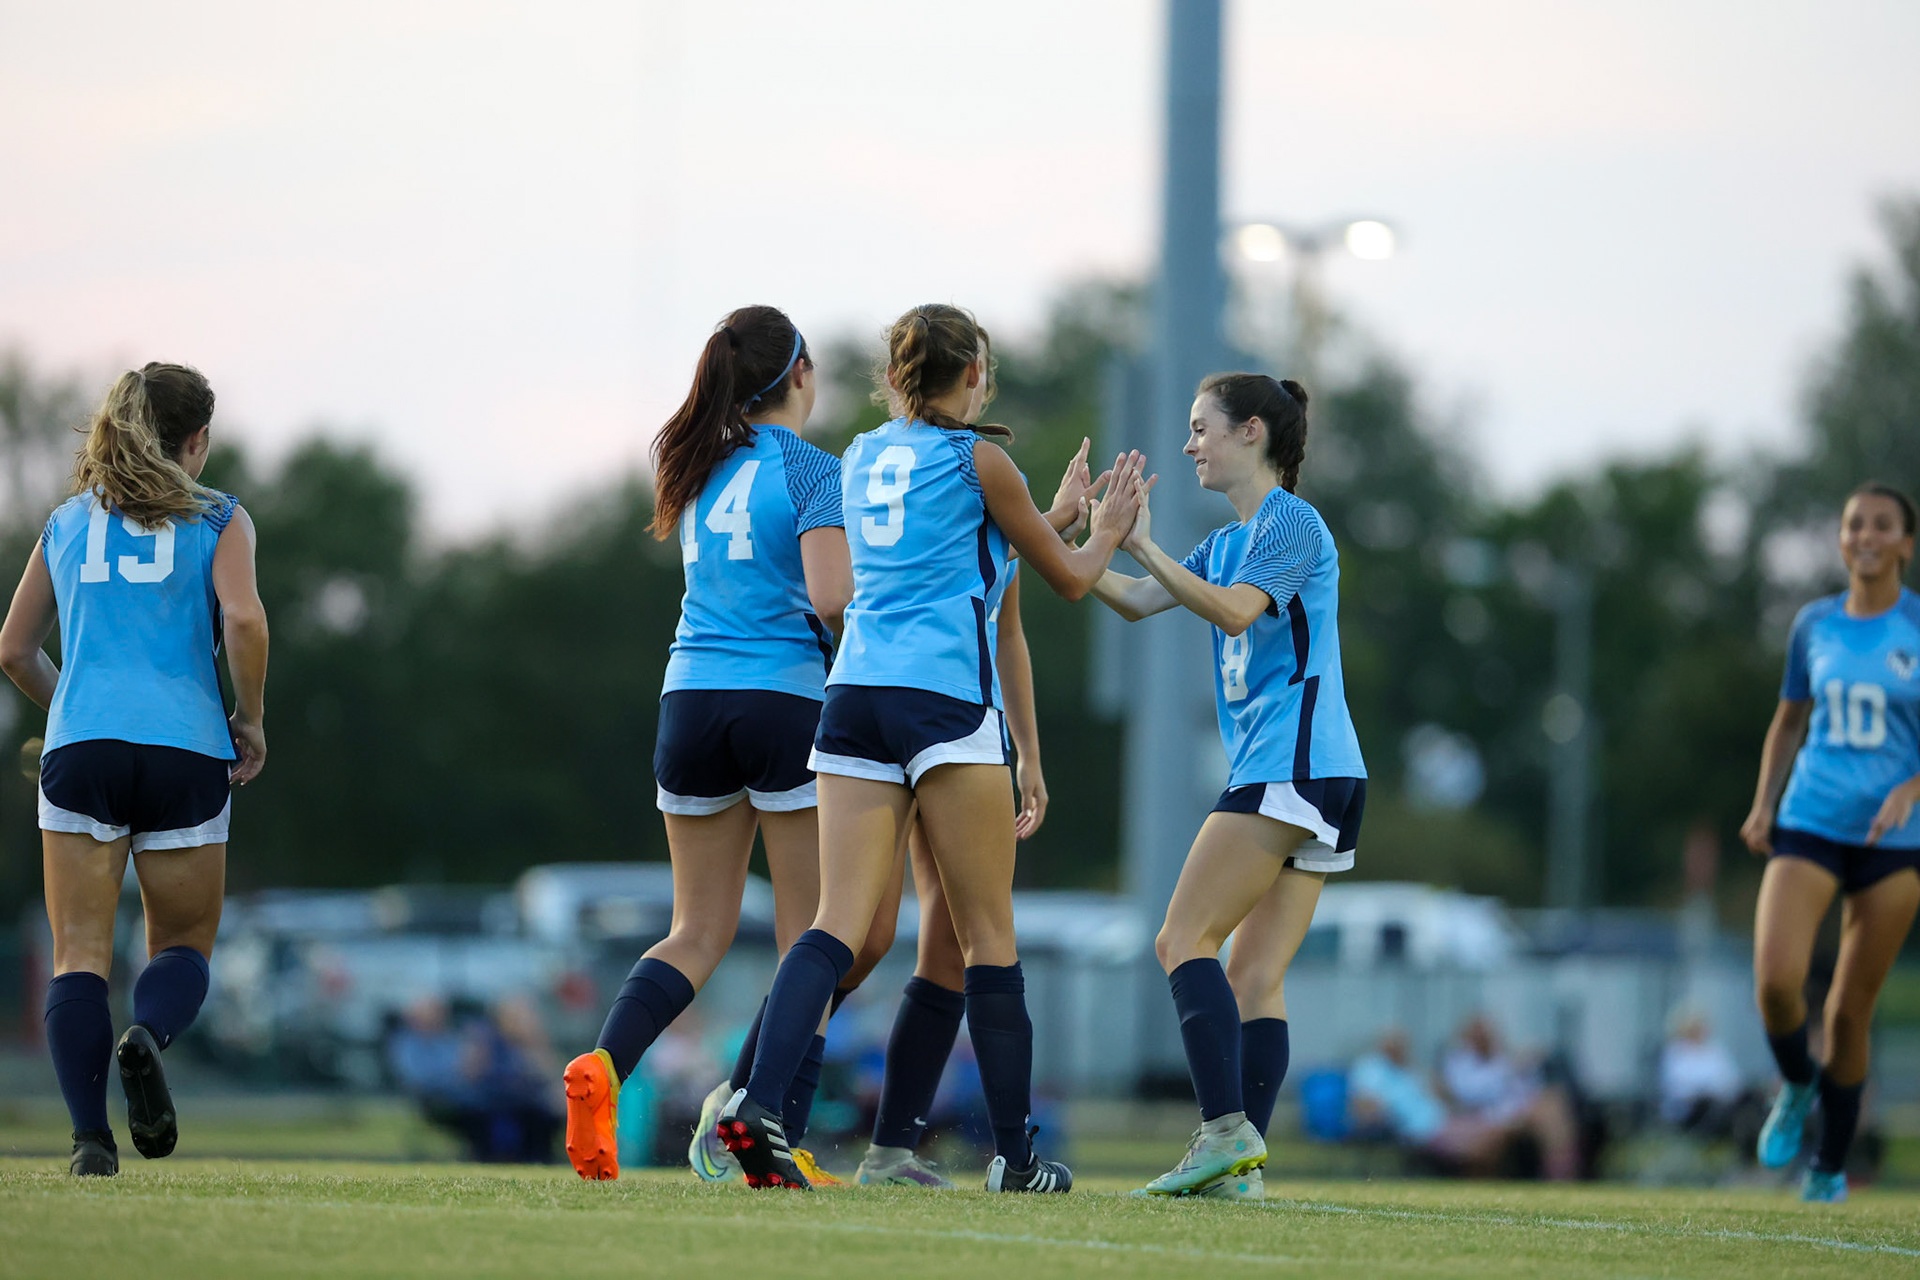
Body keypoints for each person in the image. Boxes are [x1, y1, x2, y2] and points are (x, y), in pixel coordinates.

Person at [716, 303, 1139, 1192]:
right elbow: (1069, 580)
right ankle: (1016, 1158)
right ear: (975, 374)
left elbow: (958, 552)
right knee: (988, 936)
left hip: (855, 698)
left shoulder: (862, 453)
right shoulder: (981, 459)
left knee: (836, 925)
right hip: (942, 704)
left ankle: (756, 1106)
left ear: (895, 376)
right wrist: (1105, 528)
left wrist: (1049, 515)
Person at [560, 306, 852, 1182]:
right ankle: (774, 1136)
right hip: (784, 699)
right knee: (813, 936)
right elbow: (832, 598)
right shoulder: (815, 469)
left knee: (694, 930)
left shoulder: (696, 462)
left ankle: (605, 1063)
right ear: (800, 373)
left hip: (689, 700)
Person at [1090, 373, 1364, 1202]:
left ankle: (1221, 1133)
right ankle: (1239, 1168)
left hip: (1291, 764)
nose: (1188, 446)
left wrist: (1141, 545)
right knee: (1253, 977)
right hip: (1311, 770)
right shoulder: (1225, 540)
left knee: (1180, 940)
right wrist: (1072, 536)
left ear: (1252, 432)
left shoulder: (1292, 522)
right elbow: (1136, 601)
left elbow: (1237, 612)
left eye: (1201, 428)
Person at [0, 363, 269, 1177]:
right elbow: (244, 618)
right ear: (196, 441)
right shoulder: (220, 516)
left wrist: (76, 706)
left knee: (79, 953)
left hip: (82, 745)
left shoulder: (66, 521)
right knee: (181, 944)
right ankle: (146, 1035)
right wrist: (250, 718)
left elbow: (13, 649)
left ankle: (90, 1142)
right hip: (187, 748)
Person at [1739, 482, 1920, 1203]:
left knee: (1848, 1011)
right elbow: (1789, 720)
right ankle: (1794, 1083)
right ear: (1842, 540)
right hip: (1810, 820)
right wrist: (1764, 804)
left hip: (1894, 841)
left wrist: (1911, 788)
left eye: (1882, 525)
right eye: (1854, 525)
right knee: (1776, 983)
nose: (1866, 535)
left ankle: (1828, 1168)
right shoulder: (1813, 624)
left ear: (1906, 544)